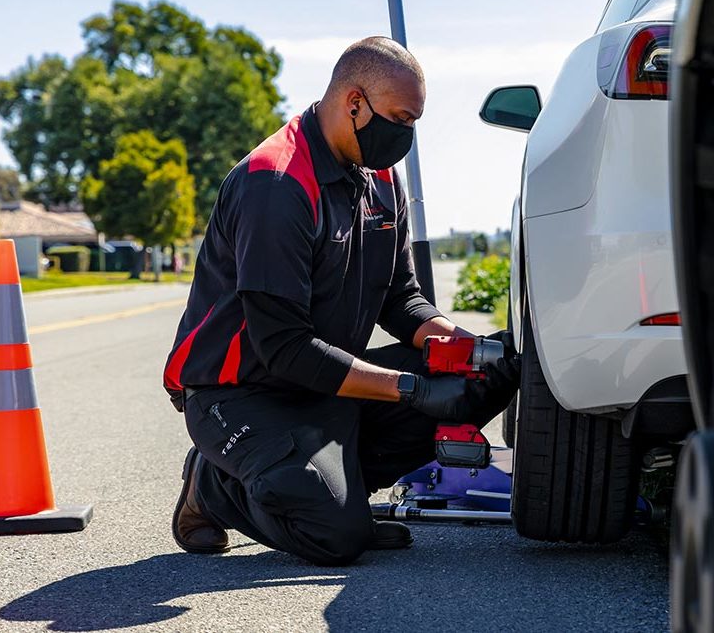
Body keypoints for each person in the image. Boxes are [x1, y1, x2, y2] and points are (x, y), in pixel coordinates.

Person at [162, 37, 519, 566]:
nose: (406, 137)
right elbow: (284, 348)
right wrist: (411, 388)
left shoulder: (378, 178)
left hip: (325, 383)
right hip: (242, 395)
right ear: (354, 102)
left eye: (414, 122)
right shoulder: (277, 184)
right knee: (335, 535)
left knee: (493, 369)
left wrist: (462, 346)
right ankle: (214, 485)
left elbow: (401, 298)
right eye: (400, 119)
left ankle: (332, 489)